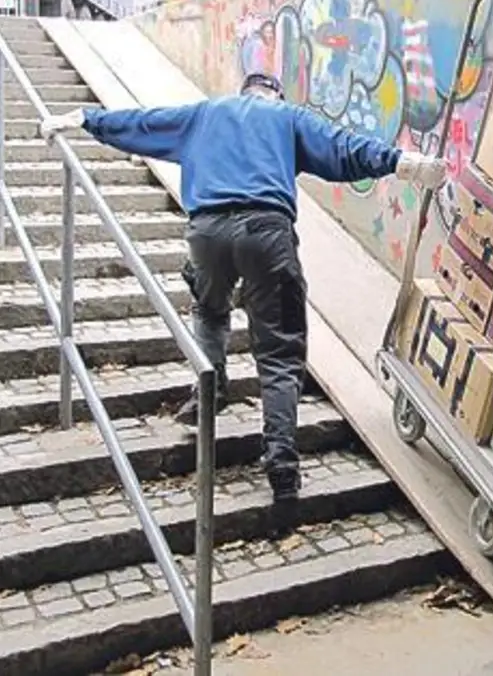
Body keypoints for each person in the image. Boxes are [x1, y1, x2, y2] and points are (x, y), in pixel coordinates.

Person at [38, 73, 448, 502]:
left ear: (245, 91)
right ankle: (282, 465)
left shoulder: (205, 113)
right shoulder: (286, 117)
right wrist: (404, 163)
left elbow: (143, 123)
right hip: (266, 233)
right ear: (276, 94)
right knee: (279, 351)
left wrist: (84, 119)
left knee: (209, 309)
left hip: (208, 231)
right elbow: (342, 148)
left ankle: (207, 396)